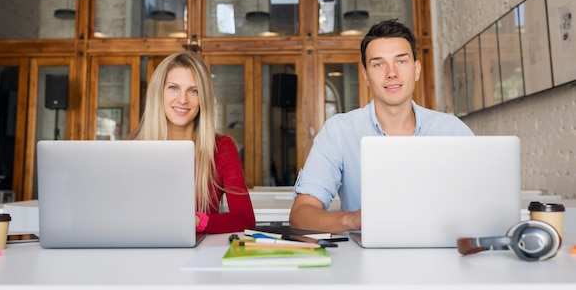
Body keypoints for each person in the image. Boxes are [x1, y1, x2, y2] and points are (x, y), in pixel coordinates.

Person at [289, 19, 474, 233]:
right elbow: (300, 215)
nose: (391, 73)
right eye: (378, 64)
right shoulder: (339, 131)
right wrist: (353, 220)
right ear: (366, 75)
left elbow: (483, 201)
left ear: (416, 70)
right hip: (365, 259)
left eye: (401, 61)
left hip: (443, 255)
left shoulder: (452, 130)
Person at [128, 51, 255, 234]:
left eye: (193, 91)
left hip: (199, 254)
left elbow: (245, 219)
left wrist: (195, 221)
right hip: (142, 252)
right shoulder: (132, 148)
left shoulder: (222, 147)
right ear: (159, 92)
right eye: (173, 87)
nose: (182, 99)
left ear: (203, 98)